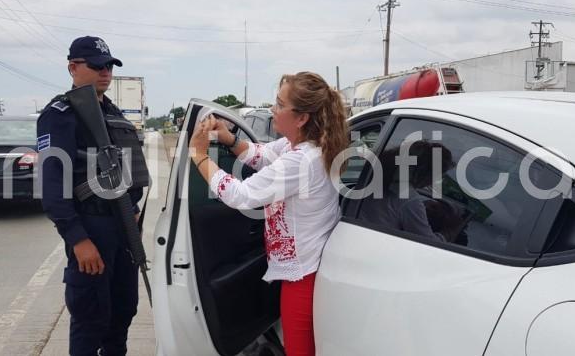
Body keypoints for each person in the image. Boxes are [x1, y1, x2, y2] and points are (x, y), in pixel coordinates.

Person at [189, 72, 349, 356]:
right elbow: (261, 154)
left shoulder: (300, 162)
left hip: (303, 274)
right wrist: (229, 138)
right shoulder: (302, 147)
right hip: (308, 264)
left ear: (301, 118)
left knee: (300, 351)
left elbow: (240, 195)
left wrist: (199, 156)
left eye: (279, 104)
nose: (273, 110)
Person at [37, 36, 148, 356]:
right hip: (91, 226)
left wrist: (134, 208)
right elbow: (52, 185)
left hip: (123, 226)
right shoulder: (60, 114)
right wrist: (78, 239)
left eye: (109, 65)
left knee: (123, 312)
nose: (105, 72)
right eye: (97, 65)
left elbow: (128, 169)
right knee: (90, 318)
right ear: (73, 68)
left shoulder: (113, 113)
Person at [359, 140, 460, 242]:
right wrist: (449, 233)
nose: (433, 181)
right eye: (437, 176)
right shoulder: (409, 200)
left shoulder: (378, 179)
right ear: (425, 173)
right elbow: (429, 243)